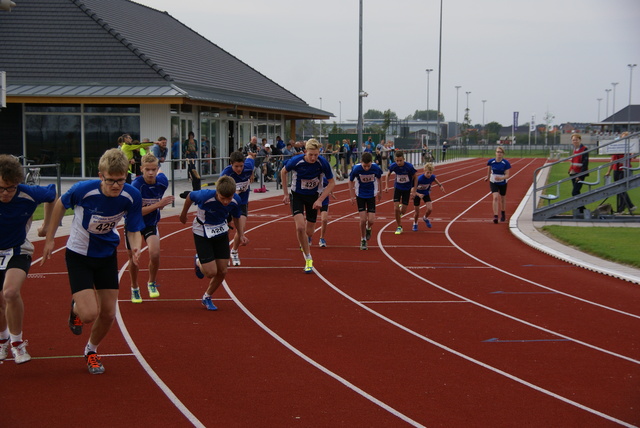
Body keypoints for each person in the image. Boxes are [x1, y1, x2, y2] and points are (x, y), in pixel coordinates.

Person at [42, 148, 145, 375]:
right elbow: (60, 204)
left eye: (121, 180)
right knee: (89, 314)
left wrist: (136, 245)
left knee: (108, 314)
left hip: (107, 255)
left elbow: (134, 228)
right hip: (79, 254)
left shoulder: (131, 195)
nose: (116, 185)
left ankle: (91, 350)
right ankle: (76, 308)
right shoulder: (83, 190)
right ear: (101, 175)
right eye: (111, 181)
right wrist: (49, 239)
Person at [0, 155, 56, 365]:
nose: (6, 193)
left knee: (10, 292)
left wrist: (47, 227)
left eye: (10, 188)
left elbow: (52, 195)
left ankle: (17, 343)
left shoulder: (28, 193)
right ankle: (2, 340)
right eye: (1, 188)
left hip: (17, 249)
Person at [179, 176, 248, 311]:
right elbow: (190, 197)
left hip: (221, 231)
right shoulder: (205, 196)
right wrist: (183, 214)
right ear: (217, 193)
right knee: (211, 272)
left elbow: (236, 217)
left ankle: (207, 296)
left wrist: (241, 234)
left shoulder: (235, 200)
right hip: (202, 231)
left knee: (222, 270)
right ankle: (199, 261)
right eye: (222, 198)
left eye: (229, 198)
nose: (226, 202)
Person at [281, 139, 335, 273]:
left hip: (313, 197)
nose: (313, 157)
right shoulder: (297, 161)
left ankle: (308, 238)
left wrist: (320, 200)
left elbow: (332, 183)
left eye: (316, 155)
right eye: (311, 154)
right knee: (300, 227)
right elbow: (283, 172)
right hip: (297, 195)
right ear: (305, 152)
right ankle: (308, 258)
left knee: (309, 231)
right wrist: (286, 194)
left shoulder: (322, 162)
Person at [127, 154, 174, 303]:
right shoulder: (136, 186)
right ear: (141, 169)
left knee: (154, 254)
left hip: (150, 224)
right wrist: (158, 205)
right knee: (134, 259)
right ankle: (134, 287)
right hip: (134, 224)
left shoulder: (162, 182)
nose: (151, 173)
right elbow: (136, 211)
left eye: (154, 169)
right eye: (147, 169)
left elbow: (162, 174)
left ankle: (151, 283)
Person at [221, 151, 256, 266]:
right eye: (236, 166)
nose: (239, 169)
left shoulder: (249, 165)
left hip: (242, 202)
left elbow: (251, 157)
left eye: (241, 166)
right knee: (224, 230)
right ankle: (224, 254)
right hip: (227, 203)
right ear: (231, 164)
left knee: (241, 228)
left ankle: (234, 251)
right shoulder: (226, 174)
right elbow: (219, 191)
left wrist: (251, 173)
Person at [349, 152, 383, 250]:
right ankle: (363, 239)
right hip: (360, 194)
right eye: (365, 166)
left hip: (371, 194)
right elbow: (350, 181)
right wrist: (352, 195)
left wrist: (380, 191)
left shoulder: (376, 168)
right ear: (361, 162)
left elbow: (380, 178)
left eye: (368, 166)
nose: (367, 168)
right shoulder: (356, 169)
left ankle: (368, 228)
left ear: (371, 163)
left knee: (371, 220)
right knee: (363, 219)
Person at [384, 150, 418, 235]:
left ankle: (400, 211)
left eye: (400, 160)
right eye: (397, 161)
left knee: (403, 211)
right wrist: (386, 186)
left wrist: (414, 190)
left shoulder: (409, 167)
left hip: (407, 189)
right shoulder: (394, 166)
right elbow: (387, 174)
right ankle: (399, 226)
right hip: (398, 188)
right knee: (395, 209)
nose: (398, 162)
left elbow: (415, 178)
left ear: (404, 159)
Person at [605, 132, 636, 214]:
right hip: (616, 169)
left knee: (621, 188)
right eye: (623, 137)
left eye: (626, 137)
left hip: (625, 169)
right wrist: (609, 171)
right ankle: (630, 206)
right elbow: (612, 160)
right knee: (618, 189)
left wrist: (634, 153)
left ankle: (621, 209)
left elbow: (634, 155)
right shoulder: (617, 147)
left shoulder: (630, 147)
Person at [413, 162, 445, 231]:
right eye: (428, 173)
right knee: (417, 212)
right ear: (424, 171)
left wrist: (440, 185)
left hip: (425, 193)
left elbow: (435, 179)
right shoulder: (419, 179)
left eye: (430, 173)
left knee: (430, 209)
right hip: (417, 194)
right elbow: (412, 189)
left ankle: (425, 218)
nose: (429, 174)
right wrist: (418, 194)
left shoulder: (432, 177)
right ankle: (415, 223)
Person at [485, 146, 511, 223]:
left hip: (502, 182)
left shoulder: (505, 163)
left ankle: (503, 212)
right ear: (495, 153)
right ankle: (495, 216)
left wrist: (501, 178)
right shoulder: (491, 161)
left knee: (502, 198)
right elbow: (489, 170)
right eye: (497, 152)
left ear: (503, 154)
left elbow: (507, 175)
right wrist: (488, 177)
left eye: (500, 152)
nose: (499, 153)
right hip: (493, 182)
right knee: (495, 197)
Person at [568, 134, 589, 214]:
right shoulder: (574, 149)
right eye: (573, 140)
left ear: (580, 140)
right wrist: (570, 170)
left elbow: (585, 163)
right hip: (573, 173)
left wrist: (580, 176)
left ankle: (582, 209)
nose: (575, 141)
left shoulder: (584, 149)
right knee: (577, 192)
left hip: (580, 174)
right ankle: (581, 210)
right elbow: (573, 161)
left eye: (576, 140)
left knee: (574, 192)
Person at [317, 177, 336, 248]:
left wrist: (332, 193)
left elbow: (330, 185)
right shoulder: (312, 178)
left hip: (324, 201)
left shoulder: (325, 179)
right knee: (310, 220)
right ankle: (308, 237)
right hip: (313, 200)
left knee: (324, 219)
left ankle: (322, 238)